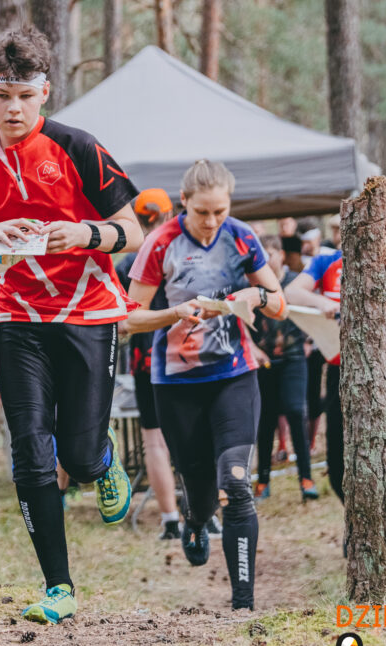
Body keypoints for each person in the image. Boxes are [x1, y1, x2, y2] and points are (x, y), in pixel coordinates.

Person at [0, 27, 142, 625]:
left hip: (89, 312)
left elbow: (134, 231)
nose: (13, 109)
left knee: (79, 455)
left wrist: (85, 232)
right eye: (1, 95)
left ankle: (100, 463)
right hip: (19, 316)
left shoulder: (77, 146)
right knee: (31, 452)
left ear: (45, 92)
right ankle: (58, 587)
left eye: (24, 95)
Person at [123, 160, 287, 611]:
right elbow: (127, 319)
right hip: (177, 383)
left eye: (220, 211)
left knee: (236, 483)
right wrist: (174, 313)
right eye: (202, 212)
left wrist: (256, 295)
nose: (212, 221)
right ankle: (194, 522)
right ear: (184, 203)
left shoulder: (241, 236)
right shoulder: (161, 242)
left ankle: (242, 604)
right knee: (199, 491)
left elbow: (281, 305)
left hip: (234, 375)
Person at [285, 225, 386, 505]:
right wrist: (321, 302)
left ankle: (383, 513)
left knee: (380, 453)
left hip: (383, 372)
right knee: (337, 460)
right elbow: (291, 292)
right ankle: (353, 514)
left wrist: (364, 316)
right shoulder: (326, 262)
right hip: (339, 369)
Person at [115, 188, 182, 540]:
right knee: (191, 435)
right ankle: (202, 514)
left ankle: (170, 519)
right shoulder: (181, 254)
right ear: (170, 215)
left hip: (146, 360)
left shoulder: (126, 265)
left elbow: (119, 321)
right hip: (185, 355)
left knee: (155, 441)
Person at [249, 236, 318, 502]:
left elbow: (312, 308)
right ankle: (263, 481)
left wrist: (310, 339)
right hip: (265, 362)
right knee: (265, 420)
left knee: (295, 411)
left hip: (294, 358)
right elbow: (239, 318)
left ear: (280, 254)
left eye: (270, 253)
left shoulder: (294, 282)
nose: (266, 260)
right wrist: (252, 348)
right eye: (262, 254)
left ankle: (306, 478)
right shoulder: (252, 285)